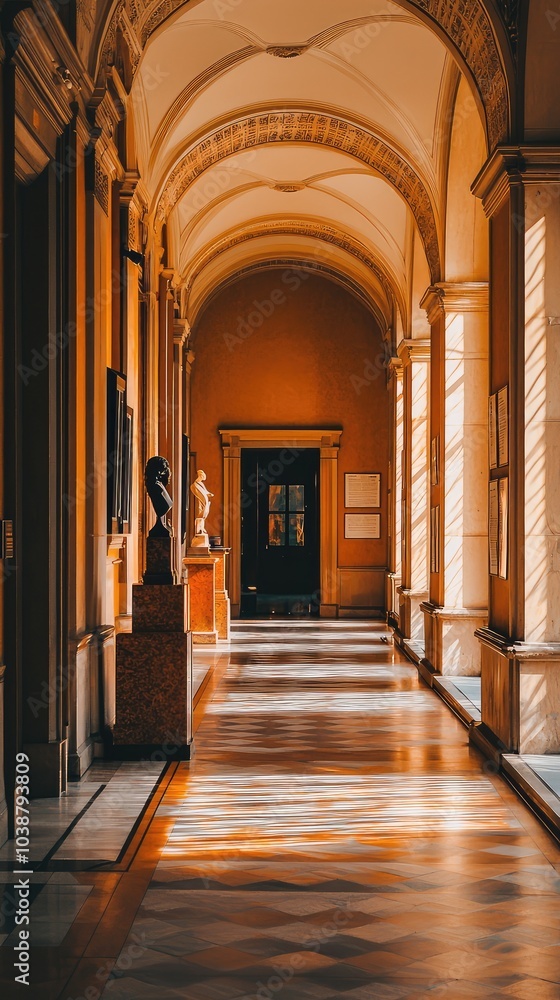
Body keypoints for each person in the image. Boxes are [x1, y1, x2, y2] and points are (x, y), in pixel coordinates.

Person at [190, 469, 214, 536]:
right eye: (202, 477)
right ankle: (199, 529)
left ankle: (202, 528)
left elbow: (205, 491)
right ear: (200, 476)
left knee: (204, 514)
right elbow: (197, 493)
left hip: (205, 500)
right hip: (200, 502)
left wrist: (209, 494)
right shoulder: (194, 485)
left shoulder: (201, 484)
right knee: (200, 514)